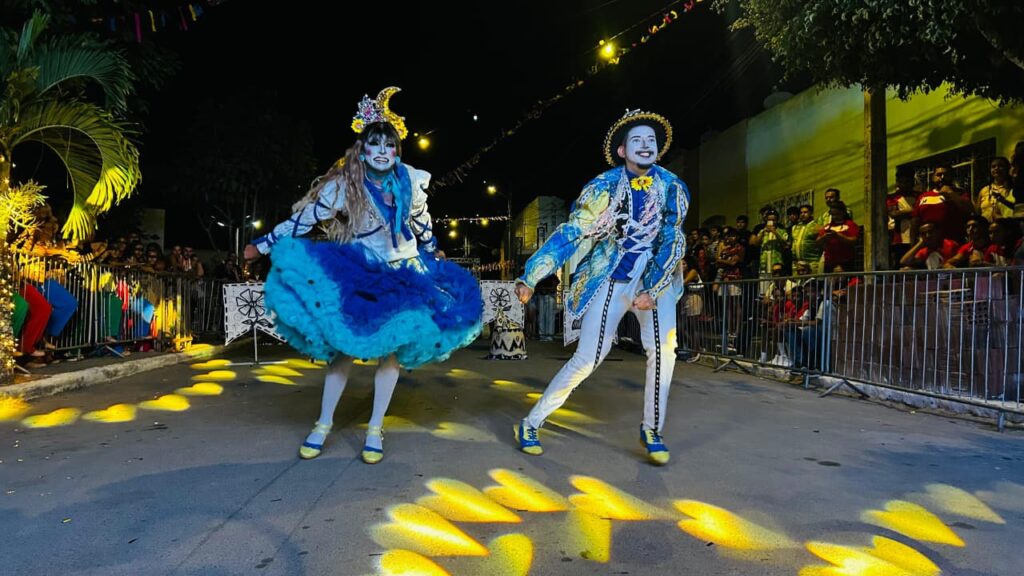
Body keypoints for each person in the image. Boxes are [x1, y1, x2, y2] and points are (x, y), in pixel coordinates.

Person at [243, 87, 482, 464]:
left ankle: (375, 428)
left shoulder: (410, 181)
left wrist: (432, 245)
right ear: (363, 148)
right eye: (375, 144)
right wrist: (264, 243)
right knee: (344, 350)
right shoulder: (345, 183)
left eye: (390, 145)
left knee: (391, 352)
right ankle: (323, 423)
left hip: (403, 273)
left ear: (397, 151)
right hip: (360, 272)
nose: (383, 151)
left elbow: (421, 221)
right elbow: (306, 218)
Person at [513, 109, 689, 465]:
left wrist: (653, 288)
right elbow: (572, 232)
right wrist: (532, 275)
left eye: (651, 140)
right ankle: (531, 423)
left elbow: (673, 239)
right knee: (588, 358)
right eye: (637, 140)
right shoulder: (603, 186)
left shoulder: (672, 187)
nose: (645, 145)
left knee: (663, 350)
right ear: (622, 150)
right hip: (612, 276)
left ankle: (652, 429)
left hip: (655, 280)